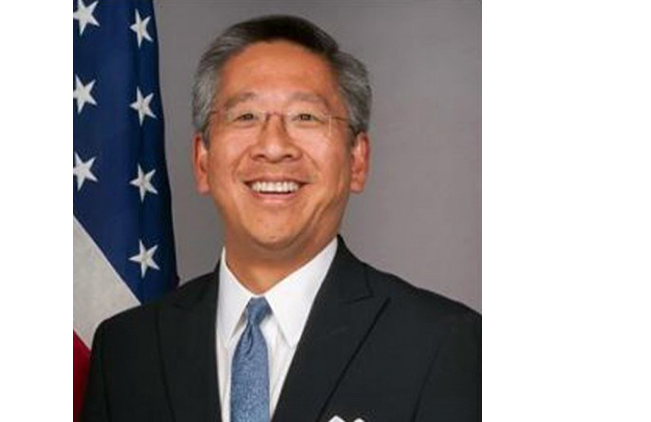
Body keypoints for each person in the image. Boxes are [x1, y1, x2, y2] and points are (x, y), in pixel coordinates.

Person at [81, 15, 480, 422]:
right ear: (202, 161)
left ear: (357, 160)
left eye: (305, 117)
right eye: (246, 117)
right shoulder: (127, 349)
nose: (273, 147)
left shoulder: (441, 344)